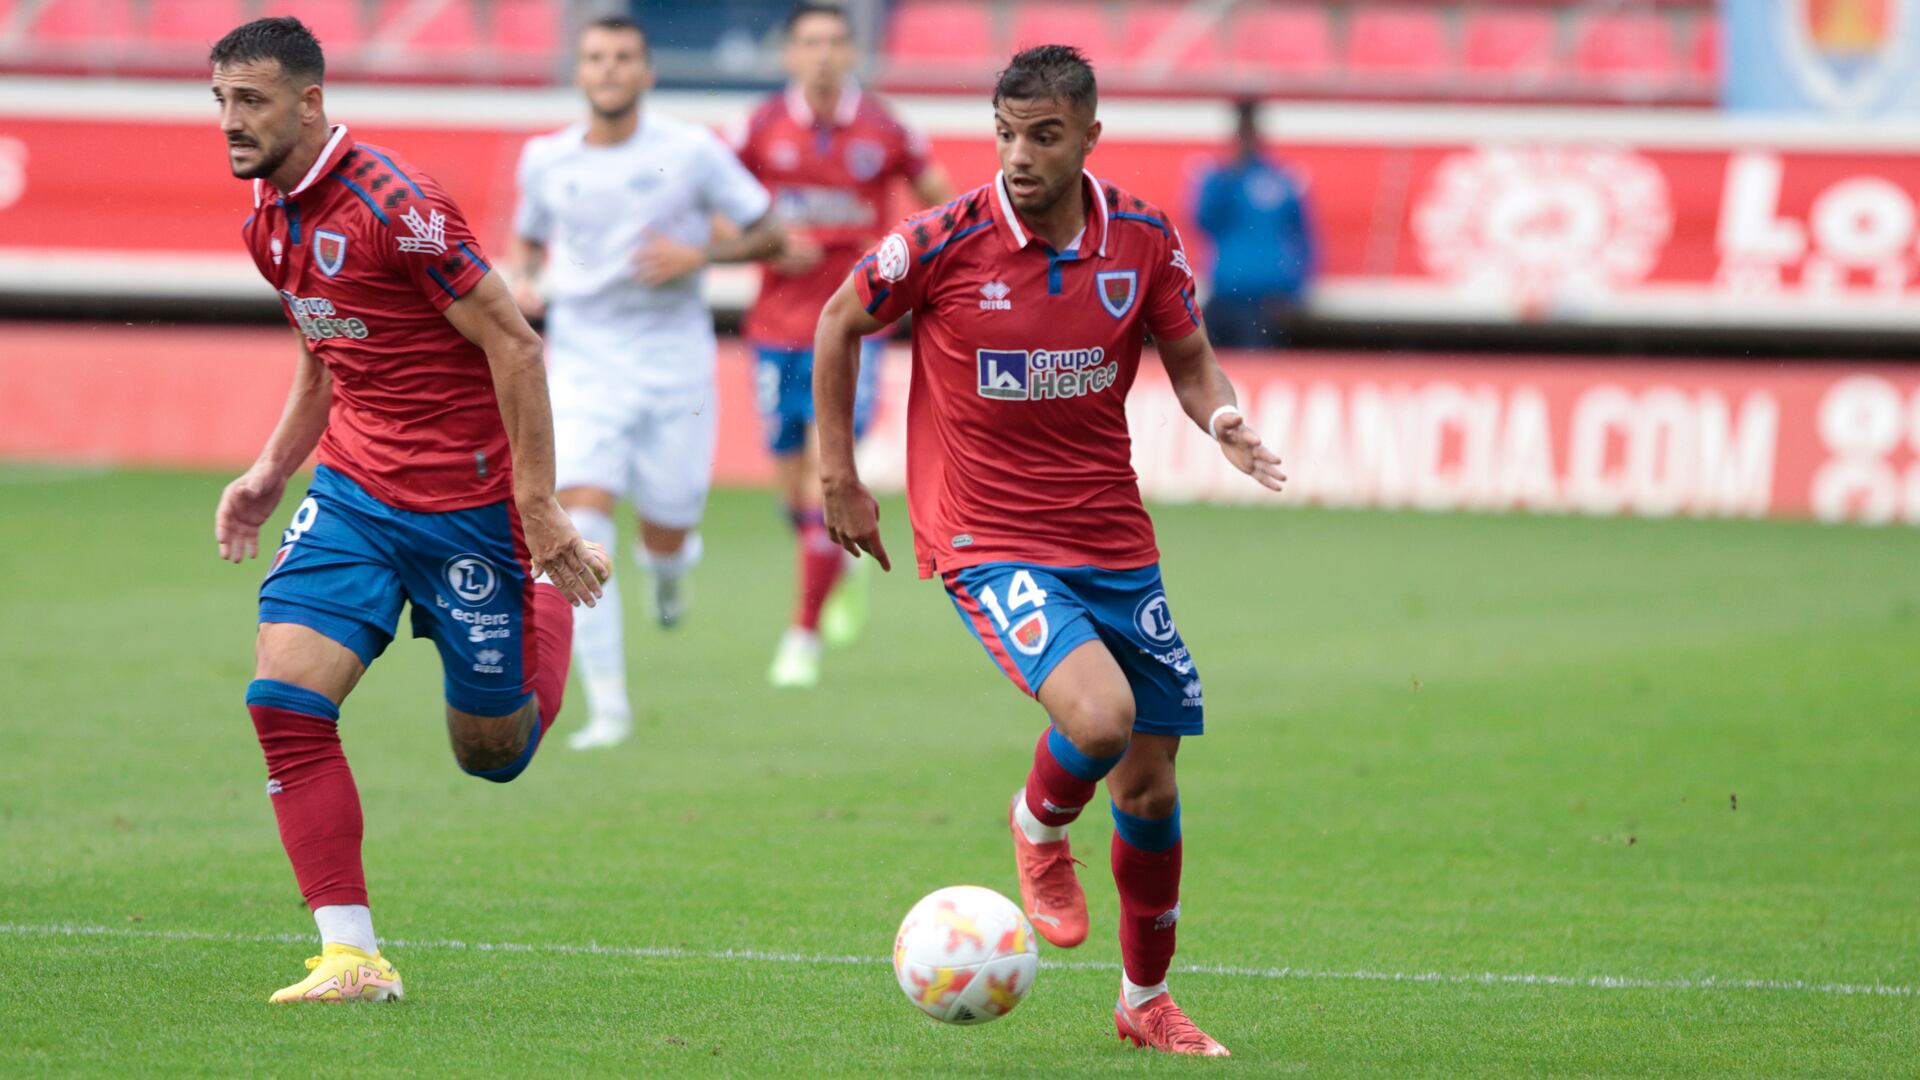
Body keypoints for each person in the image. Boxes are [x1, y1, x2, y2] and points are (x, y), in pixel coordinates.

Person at [815, 46, 1284, 1056]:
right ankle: (1037, 827)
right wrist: (839, 475)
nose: (1020, 156)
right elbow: (838, 320)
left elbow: (1192, 362)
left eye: (1044, 136)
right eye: (1006, 133)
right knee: (1101, 718)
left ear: (1088, 138)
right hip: (988, 537)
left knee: (1152, 786)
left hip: (1112, 537)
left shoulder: (1145, 240)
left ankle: (1143, 1001)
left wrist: (1226, 419)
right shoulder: (942, 240)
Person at [210, 17, 609, 1002]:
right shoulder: (268, 218)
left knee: (493, 756)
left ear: (309, 102)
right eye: (219, 101)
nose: (229, 122)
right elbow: (327, 355)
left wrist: (540, 509)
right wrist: (270, 472)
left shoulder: (400, 207)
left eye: (249, 100)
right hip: (352, 495)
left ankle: (549, 598)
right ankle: (351, 955)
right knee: (283, 703)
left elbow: (515, 346)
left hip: (472, 512)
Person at [510, 16, 783, 749]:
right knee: (581, 523)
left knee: (667, 529)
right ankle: (608, 707)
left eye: (623, 57)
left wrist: (699, 254)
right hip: (584, 365)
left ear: (646, 73)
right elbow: (528, 241)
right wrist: (527, 279)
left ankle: (669, 576)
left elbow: (772, 231)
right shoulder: (544, 159)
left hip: (673, 369)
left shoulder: (690, 151)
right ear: (580, 72)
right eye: (595, 56)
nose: (608, 69)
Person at [731, 1, 950, 689]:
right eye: (809, 43)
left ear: (850, 52)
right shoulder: (760, 126)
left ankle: (802, 637)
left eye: (833, 41)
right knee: (791, 487)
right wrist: (764, 241)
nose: (822, 54)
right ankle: (832, 564)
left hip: (855, 327)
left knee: (833, 468)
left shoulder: (885, 128)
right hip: (774, 326)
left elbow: (939, 205)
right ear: (790, 55)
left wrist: (893, 256)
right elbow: (714, 198)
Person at [1191, 99, 1315, 349]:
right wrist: (1230, 174)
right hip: (1224, 298)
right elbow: (1202, 220)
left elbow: (1304, 238)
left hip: (1266, 303)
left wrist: (1294, 293)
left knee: (1255, 373)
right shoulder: (1218, 177)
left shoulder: (1281, 179)